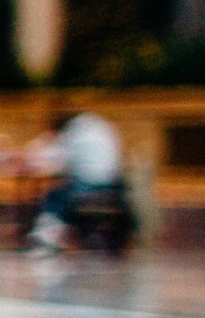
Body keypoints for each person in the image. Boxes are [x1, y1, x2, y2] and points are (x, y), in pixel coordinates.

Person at [26, 108, 131, 255]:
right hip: (113, 187)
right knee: (65, 193)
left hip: (88, 187)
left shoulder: (74, 131)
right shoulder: (101, 125)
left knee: (55, 196)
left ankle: (47, 237)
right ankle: (78, 237)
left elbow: (59, 162)